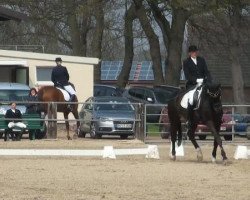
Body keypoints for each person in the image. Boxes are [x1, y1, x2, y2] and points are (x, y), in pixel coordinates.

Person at [183, 45, 212, 129]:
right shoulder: (186, 62)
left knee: (212, 94)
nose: (194, 53)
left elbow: (206, 71)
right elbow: (187, 75)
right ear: (189, 53)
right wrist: (196, 80)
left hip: (203, 83)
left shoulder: (201, 60)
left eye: (195, 52)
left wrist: (207, 79)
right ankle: (189, 118)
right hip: (192, 84)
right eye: (192, 52)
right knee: (191, 99)